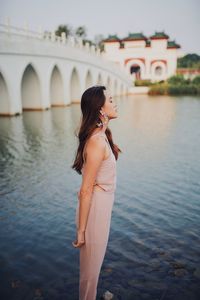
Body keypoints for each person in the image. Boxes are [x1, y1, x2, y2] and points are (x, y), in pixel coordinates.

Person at [71, 85, 121, 300]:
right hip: (94, 212)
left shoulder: (101, 135)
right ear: (100, 109)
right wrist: (82, 231)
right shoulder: (96, 142)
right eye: (110, 100)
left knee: (94, 271)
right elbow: (85, 190)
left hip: (101, 208)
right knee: (90, 275)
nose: (115, 102)